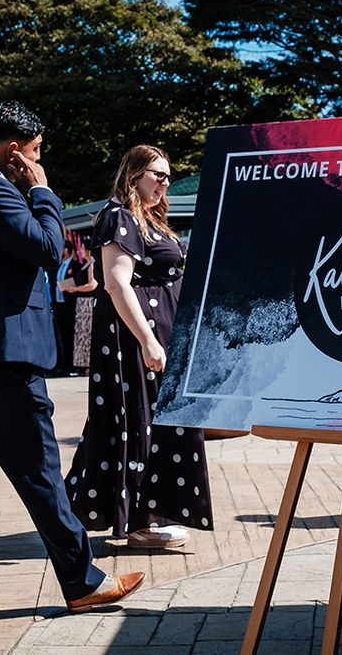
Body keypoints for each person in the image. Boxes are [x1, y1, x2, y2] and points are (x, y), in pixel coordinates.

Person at [0, 101, 144, 631]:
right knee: (38, 469)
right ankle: (82, 581)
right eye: (37, 150)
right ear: (16, 151)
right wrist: (42, 189)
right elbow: (47, 246)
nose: (40, 160)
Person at [65, 145, 213, 548]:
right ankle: (140, 520)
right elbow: (115, 282)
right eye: (157, 174)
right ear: (133, 175)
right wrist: (147, 339)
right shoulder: (119, 217)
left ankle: (106, 511)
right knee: (137, 421)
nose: (165, 182)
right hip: (137, 336)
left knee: (141, 422)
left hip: (159, 332)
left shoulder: (144, 218)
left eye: (168, 175)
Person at [64, 239, 97, 373]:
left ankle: (89, 365)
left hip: (87, 302)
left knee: (87, 334)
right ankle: (83, 365)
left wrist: (76, 289)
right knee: (81, 335)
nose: (81, 251)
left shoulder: (92, 265)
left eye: (83, 248)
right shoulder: (85, 265)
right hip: (81, 303)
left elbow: (92, 285)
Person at [51, 240, 81, 375]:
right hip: (59, 306)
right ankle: (64, 364)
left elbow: (78, 282)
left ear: (67, 250)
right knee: (62, 337)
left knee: (71, 337)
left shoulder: (76, 266)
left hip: (71, 306)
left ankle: (72, 365)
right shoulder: (59, 266)